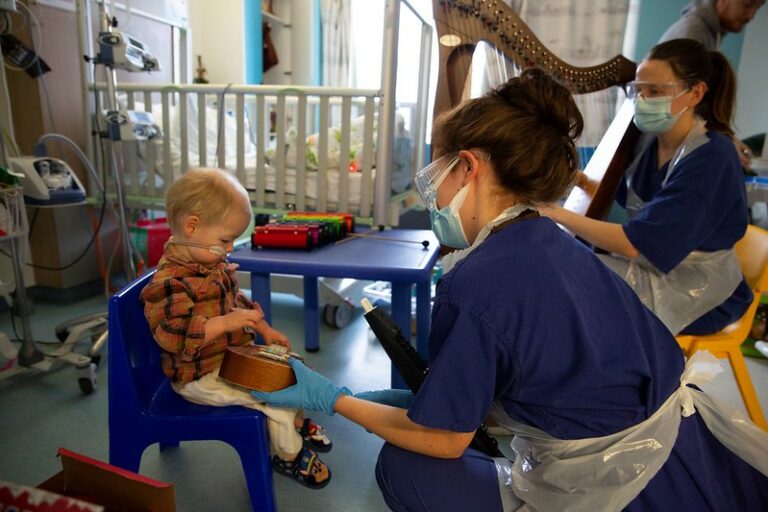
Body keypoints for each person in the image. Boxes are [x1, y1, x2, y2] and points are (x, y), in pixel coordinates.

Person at [251, 69, 768, 511]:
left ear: (469, 166)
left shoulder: (475, 284)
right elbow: (554, 373)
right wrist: (431, 399)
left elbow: (445, 440)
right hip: (689, 455)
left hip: (620, 485)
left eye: (438, 172)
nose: (431, 190)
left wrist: (334, 398)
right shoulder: (552, 241)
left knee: (405, 463)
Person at [543, 39, 753, 337]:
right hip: (652, 271)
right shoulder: (648, 143)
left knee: (566, 279)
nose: (643, 99)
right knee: (560, 270)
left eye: (655, 92)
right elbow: (634, 201)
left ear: (695, 93)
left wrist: (553, 213)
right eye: (638, 90)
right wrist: (578, 179)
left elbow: (636, 243)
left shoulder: (712, 157)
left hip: (700, 292)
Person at [140, 168, 333, 489]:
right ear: (192, 226)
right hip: (199, 376)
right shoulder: (170, 282)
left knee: (295, 368)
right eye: (225, 239)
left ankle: (295, 424)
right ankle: (288, 454)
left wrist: (265, 330)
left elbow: (237, 302)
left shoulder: (211, 263)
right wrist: (226, 323)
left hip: (230, 359)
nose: (229, 248)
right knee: (273, 396)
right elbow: (173, 336)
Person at [660, 0, 766, 168]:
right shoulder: (693, 33)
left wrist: (728, 138)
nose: (751, 15)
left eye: (757, 8)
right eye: (747, 5)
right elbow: (679, 109)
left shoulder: (708, 32)